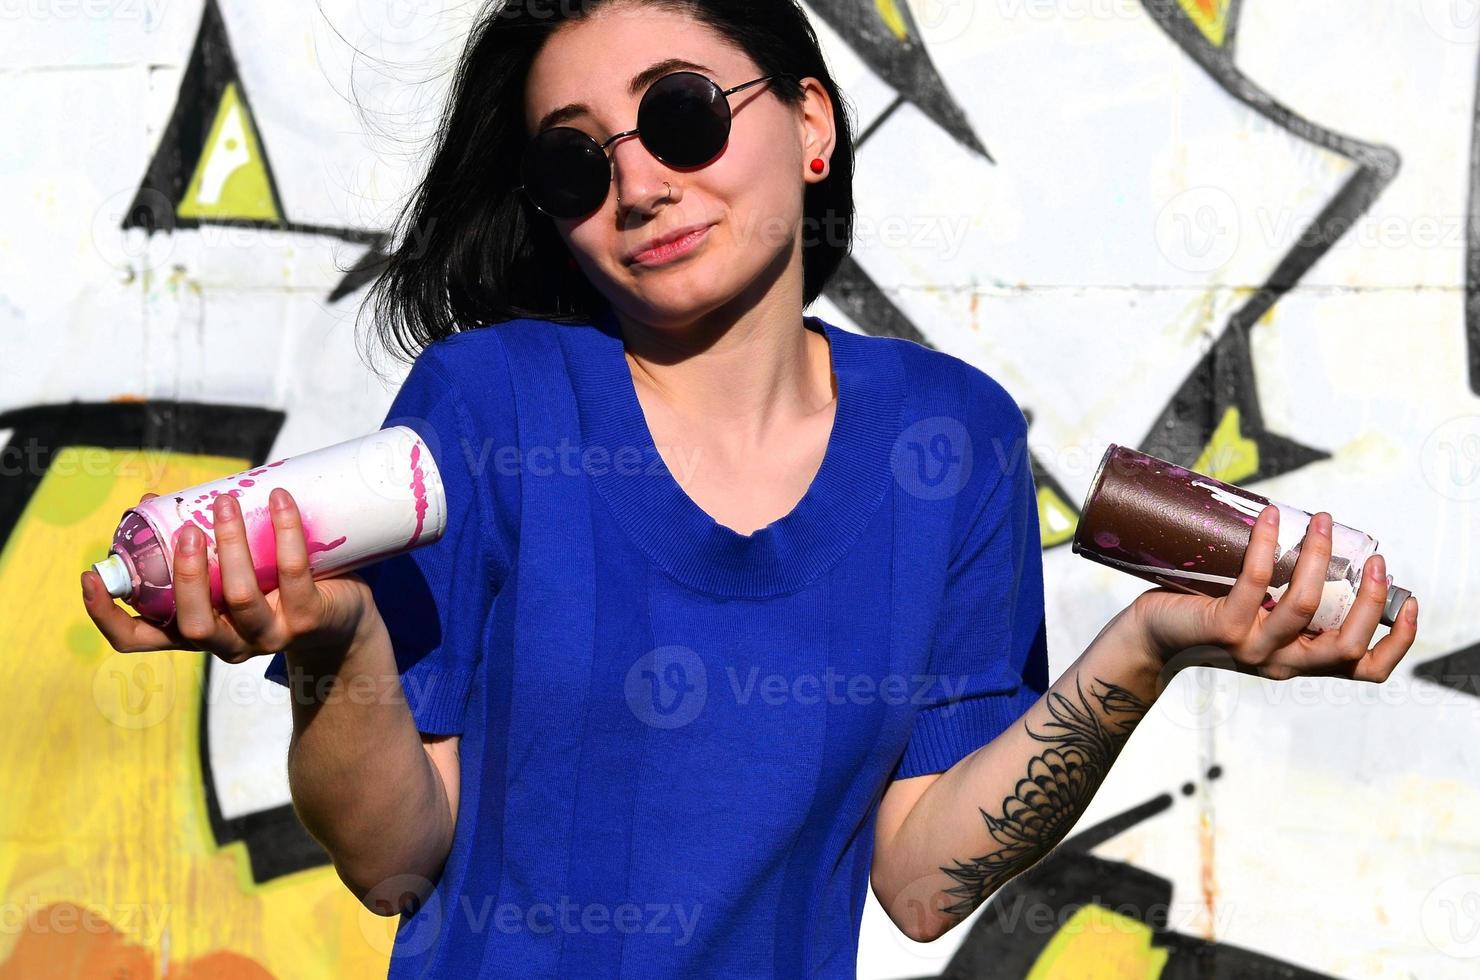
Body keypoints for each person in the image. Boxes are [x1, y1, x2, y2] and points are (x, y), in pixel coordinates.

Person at [81, 0, 1421, 976]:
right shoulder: (489, 410)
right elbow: (390, 859)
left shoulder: (946, 441)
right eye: (575, 160)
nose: (643, 181)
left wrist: (1147, 648)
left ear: (811, 121)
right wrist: (340, 643)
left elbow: (917, 873)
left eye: (679, 115)